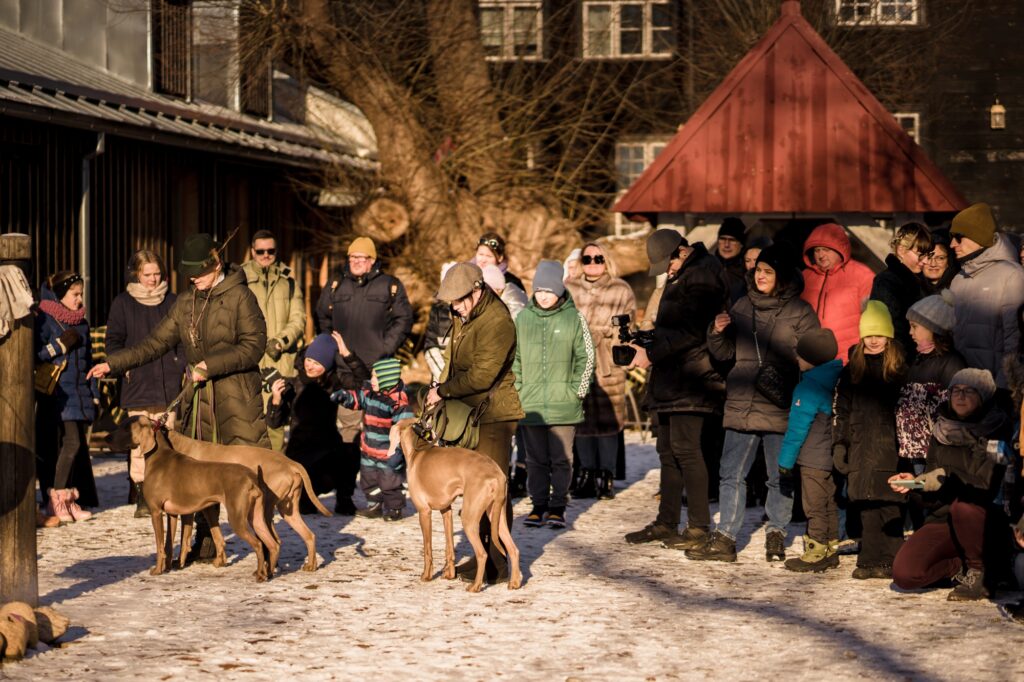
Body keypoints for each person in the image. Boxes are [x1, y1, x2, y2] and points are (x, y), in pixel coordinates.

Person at [89, 233, 270, 560]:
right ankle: (207, 539)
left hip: (237, 401)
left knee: (249, 470)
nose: (193, 280)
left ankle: (267, 544)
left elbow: (253, 345)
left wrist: (211, 365)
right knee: (199, 474)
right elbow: (155, 343)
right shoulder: (186, 302)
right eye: (189, 275)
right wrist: (114, 363)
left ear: (216, 265)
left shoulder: (241, 297)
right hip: (198, 402)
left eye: (198, 273)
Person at [685, 245, 819, 563]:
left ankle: (776, 533)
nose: (760, 276)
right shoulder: (742, 305)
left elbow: (814, 357)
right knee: (730, 474)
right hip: (742, 402)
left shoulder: (800, 311)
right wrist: (716, 332)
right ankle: (726, 538)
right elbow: (724, 354)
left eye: (768, 271)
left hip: (780, 404)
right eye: (758, 270)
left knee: (779, 475)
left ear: (781, 276)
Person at [623, 230, 727, 548]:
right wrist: (644, 342)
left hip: (694, 378)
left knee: (687, 451)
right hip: (672, 378)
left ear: (681, 252)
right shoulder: (683, 274)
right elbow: (673, 328)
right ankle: (667, 521)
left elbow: (693, 330)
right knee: (668, 453)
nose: (666, 271)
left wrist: (651, 353)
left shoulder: (703, 275)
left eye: (667, 264)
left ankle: (698, 527)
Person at [428, 262, 524, 583]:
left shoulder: (497, 321)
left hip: (494, 415)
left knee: (493, 489)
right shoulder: (465, 315)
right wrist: (439, 389)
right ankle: (481, 553)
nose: (454, 306)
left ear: (477, 290)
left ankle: (498, 562)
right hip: (470, 412)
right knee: (474, 490)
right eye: (451, 301)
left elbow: (483, 376)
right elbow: (454, 362)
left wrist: (444, 390)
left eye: (458, 299)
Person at [891, 368, 1011, 601]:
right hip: (944, 518)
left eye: (969, 391)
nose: (960, 396)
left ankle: (980, 572)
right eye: (955, 390)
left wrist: (943, 477)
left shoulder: (998, 430)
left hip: (984, 521)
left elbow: (987, 484)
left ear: (984, 396)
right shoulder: (941, 430)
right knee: (905, 574)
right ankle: (960, 567)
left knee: (964, 506)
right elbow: (931, 489)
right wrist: (916, 484)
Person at [315, 236, 414, 514]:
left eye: (362, 258)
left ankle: (388, 498)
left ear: (372, 261)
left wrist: (385, 348)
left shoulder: (389, 285)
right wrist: (333, 346)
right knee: (348, 437)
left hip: (377, 374)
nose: (357, 262)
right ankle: (345, 495)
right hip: (346, 371)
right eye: (353, 257)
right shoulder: (336, 285)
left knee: (383, 440)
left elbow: (404, 318)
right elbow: (322, 317)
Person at [515, 260, 594, 529]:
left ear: (559, 290)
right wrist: (519, 390)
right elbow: (514, 359)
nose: (543, 296)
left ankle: (558, 506)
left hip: (564, 404)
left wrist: (576, 392)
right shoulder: (522, 319)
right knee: (534, 459)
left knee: (562, 460)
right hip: (531, 404)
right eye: (539, 290)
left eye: (549, 290)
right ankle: (538, 505)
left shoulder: (574, 318)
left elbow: (586, 357)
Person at [105, 250, 185, 518]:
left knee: (166, 438)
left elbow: (183, 339)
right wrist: (123, 366)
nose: (153, 279)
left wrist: (179, 364)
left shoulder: (173, 301)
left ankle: (169, 490)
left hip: (168, 382)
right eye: (147, 274)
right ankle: (142, 494)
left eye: (157, 274)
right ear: (136, 274)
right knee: (140, 442)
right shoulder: (123, 303)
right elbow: (113, 342)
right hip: (137, 381)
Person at [832, 301, 907, 579]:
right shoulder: (851, 371)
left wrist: (906, 449)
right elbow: (841, 410)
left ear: (889, 337)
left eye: (879, 335)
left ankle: (892, 559)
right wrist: (839, 444)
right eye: (869, 335)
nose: (874, 341)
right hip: (860, 446)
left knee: (889, 503)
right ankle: (869, 559)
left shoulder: (899, 371)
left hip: (890, 446)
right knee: (866, 503)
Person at [565, 242, 637, 501]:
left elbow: (628, 327)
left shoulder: (621, 289)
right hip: (577, 359)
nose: (593, 263)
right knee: (580, 418)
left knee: (609, 418)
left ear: (606, 261)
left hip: (608, 358)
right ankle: (585, 473)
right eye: (587, 259)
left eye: (598, 258)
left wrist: (612, 341)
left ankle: (606, 475)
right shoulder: (570, 288)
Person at [267, 332, 369, 511]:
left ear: (327, 365)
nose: (310, 366)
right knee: (305, 506)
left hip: (327, 450)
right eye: (309, 360)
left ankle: (344, 498)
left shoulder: (335, 382)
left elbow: (364, 383)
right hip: (301, 456)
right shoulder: (294, 384)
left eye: (317, 363)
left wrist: (348, 355)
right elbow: (274, 423)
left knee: (350, 451)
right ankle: (304, 497)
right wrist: (276, 400)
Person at [777, 328, 843, 572]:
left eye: (801, 355)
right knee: (829, 503)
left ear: (812, 359)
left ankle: (815, 552)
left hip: (813, 459)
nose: (797, 358)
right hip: (831, 456)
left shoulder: (808, 388)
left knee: (813, 506)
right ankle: (831, 548)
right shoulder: (837, 380)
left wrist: (785, 462)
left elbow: (796, 429)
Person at [35, 270, 96, 523]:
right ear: (60, 294)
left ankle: (67, 499)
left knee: (71, 447)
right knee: (70, 444)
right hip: (56, 393)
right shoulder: (44, 319)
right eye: (75, 294)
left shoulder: (82, 323)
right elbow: (35, 354)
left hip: (78, 394)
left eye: (81, 294)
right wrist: (58, 346)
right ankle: (56, 498)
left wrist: (94, 393)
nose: (80, 299)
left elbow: (89, 362)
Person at [947, 202, 1024, 392]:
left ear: (978, 237)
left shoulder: (1012, 275)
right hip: (961, 391)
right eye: (951, 238)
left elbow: (1015, 339)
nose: (952, 244)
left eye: (958, 237)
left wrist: (1003, 387)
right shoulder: (958, 279)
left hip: (995, 390)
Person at [243, 229, 306, 452]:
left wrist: (281, 341)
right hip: (248, 361)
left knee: (275, 421)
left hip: (279, 362)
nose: (266, 255)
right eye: (260, 251)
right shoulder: (240, 279)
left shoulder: (288, 281)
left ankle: (276, 469)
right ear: (252, 251)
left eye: (270, 251)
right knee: (247, 422)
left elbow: (299, 318)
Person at [331, 357, 414, 521]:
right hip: (369, 448)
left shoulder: (398, 402)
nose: (372, 380)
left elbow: (404, 428)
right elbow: (358, 399)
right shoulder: (370, 393)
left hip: (389, 452)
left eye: (376, 377)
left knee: (390, 482)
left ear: (387, 380)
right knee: (368, 479)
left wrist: (397, 451)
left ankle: (394, 508)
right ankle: (374, 505)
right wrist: (344, 397)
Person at [895, 292, 966, 479]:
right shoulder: (918, 359)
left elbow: (955, 412)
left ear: (932, 328)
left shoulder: (951, 363)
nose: (910, 333)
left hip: (935, 452)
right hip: (914, 452)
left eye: (914, 327)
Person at [800, 223, 875, 364]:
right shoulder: (805, 276)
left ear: (840, 249)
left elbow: (873, 320)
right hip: (810, 359)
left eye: (826, 250)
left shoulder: (862, 275)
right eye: (817, 250)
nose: (821, 255)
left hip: (848, 359)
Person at [870, 222, 931, 355]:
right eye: (920, 254)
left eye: (928, 255)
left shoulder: (920, 280)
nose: (926, 261)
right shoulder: (886, 282)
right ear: (901, 251)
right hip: (899, 358)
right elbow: (890, 330)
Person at [424, 262, 457, 383]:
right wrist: (442, 374)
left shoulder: (469, 308)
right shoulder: (437, 308)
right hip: (440, 371)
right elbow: (430, 343)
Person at [716, 217, 747, 304]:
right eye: (723, 239)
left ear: (741, 244)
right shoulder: (706, 267)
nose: (726, 245)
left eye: (732, 240)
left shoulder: (748, 271)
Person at [921, 231, 957, 295]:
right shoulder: (909, 290)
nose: (933, 264)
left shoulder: (958, 289)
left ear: (949, 261)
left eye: (940, 258)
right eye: (928, 258)